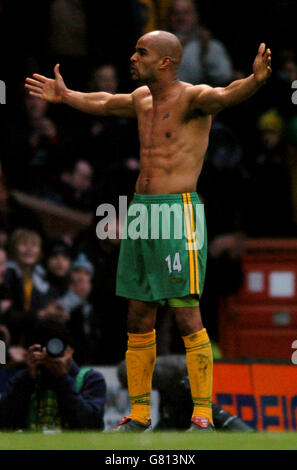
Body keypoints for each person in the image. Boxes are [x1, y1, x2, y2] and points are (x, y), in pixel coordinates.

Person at [25, 30, 271, 432]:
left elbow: (227, 95)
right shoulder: (141, 99)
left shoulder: (194, 97)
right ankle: (139, 415)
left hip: (178, 215)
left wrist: (256, 81)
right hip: (141, 213)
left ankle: (204, 416)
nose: (133, 57)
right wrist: (67, 96)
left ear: (166, 62)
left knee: (187, 314)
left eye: (142, 51)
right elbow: (104, 102)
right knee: (138, 315)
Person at [0, 320, 106, 430]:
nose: (49, 356)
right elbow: (4, 423)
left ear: (70, 350)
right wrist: (27, 379)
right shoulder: (24, 380)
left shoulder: (90, 379)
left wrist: (63, 378)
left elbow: (91, 424)